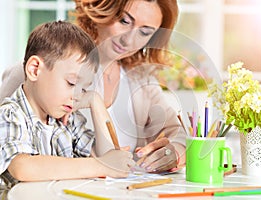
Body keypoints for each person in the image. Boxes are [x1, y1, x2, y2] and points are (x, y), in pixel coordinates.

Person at [0, 0, 186, 173]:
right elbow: (10, 154)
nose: (129, 40)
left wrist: (175, 152)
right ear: (103, 9)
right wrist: (102, 165)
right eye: (123, 21)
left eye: (144, 32)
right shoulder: (37, 73)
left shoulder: (141, 81)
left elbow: (179, 133)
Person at [0, 21, 135, 187]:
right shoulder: (10, 114)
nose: (77, 95)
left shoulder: (68, 119)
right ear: (35, 69)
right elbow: (22, 167)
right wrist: (101, 165)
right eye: (72, 83)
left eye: (83, 89)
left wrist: (95, 101)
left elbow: (106, 154)